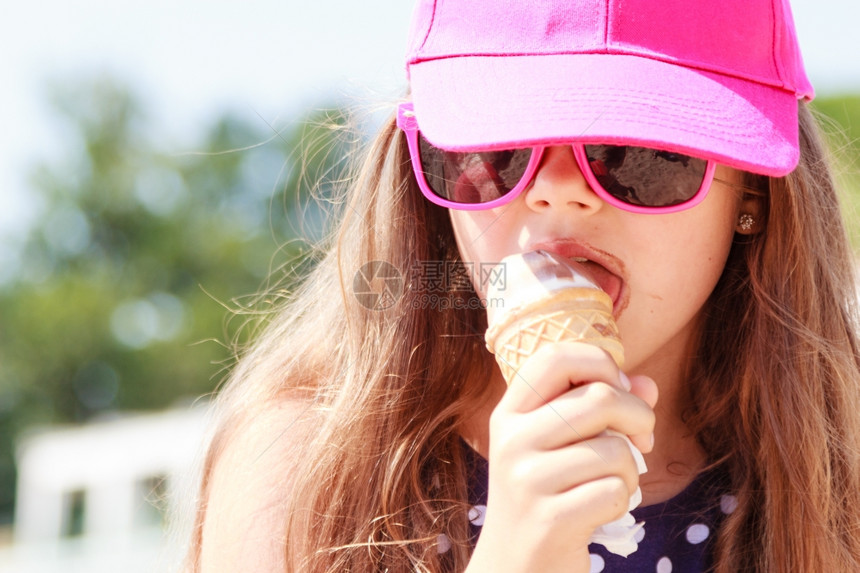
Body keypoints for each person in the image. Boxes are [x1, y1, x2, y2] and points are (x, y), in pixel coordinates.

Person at [184, 0, 860, 571]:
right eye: (497, 152)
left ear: (756, 195)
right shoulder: (306, 468)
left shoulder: (839, 481)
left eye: (639, 154)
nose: (554, 191)